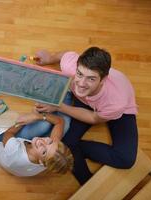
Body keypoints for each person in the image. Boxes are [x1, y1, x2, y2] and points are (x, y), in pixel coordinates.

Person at [34, 47, 138, 185]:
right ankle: (88, 183)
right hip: (87, 102)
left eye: (91, 78)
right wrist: (49, 59)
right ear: (76, 67)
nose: (81, 84)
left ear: (103, 79)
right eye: (80, 74)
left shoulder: (116, 102)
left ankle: (80, 149)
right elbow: (65, 54)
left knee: (125, 160)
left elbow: (94, 118)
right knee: (68, 144)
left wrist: (59, 106)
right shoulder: (70, 66)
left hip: (115, 111)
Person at [0, 93, 73, 177]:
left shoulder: (14, 151)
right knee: (64, 124)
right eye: (50, 142)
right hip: (24, 148)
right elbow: (60, 121)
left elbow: (9, 133)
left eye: (44, 152)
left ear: (41, 163)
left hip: (3, 142)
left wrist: (29, 118)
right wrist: (37, 117)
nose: (41, 141)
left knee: (44, 125)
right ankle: (66, 95)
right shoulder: (50, 158)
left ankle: (61, 97)